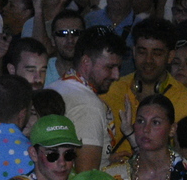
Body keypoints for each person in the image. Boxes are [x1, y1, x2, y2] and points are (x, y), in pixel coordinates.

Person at [103, 19, 187, 157]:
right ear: (133, 52)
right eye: (142, 52)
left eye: (156, 53)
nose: (148, 60)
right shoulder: (110, 91)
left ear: (170, 56)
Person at [46, 26, 127, 171]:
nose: (116, 76)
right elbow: (86, 175)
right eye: (110, 67)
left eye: (118, 68)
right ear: (86, 62)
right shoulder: (88, 105)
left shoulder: (56, 86)